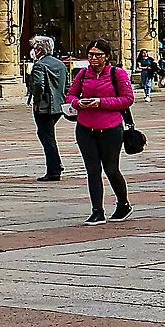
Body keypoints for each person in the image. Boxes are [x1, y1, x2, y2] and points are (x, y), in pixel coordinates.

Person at [67, 40, 135, 224]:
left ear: (107, 56)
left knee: (111, 169)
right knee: (93, 170)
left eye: (98, 55)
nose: (94, 58)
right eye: (90, 54)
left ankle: (123, 204)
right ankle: (97, 211)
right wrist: (77, 103)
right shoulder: (82, 74)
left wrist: (101, 102)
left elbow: (127, 99)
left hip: (111, 128)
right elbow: (71, 94)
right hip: (85, 127)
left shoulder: (116, 74)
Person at [24, 36, 69, 182]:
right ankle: (57, 164)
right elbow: (66, 84)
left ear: (39, 50)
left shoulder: (39, 65)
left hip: (45, 106)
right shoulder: (60, 64)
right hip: (58, 105)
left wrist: (36, 101)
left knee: (46, 137)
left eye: (35, 49)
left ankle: (54, 170)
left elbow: (38, 85)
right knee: (48, 134)